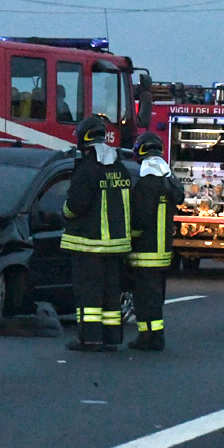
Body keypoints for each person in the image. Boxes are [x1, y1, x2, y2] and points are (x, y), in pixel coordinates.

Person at [61, 115, 132, 352]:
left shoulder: (87, 169)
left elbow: (75, 206)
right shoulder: (119, 168)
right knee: (111, 294)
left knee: (89, 295)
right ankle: (111, 338)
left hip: (89, 245)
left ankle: (89, 339)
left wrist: (65, 212)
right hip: (116, 247)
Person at [127, 131, 184, 351]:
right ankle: (155, 336)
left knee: (143, 299)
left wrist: (129, 240)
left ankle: (147, 338)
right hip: (163, 253)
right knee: (156, 298)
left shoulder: (145, 185)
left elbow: (139, 220)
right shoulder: (168, 184)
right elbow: (179, 197)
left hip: (145, 252)